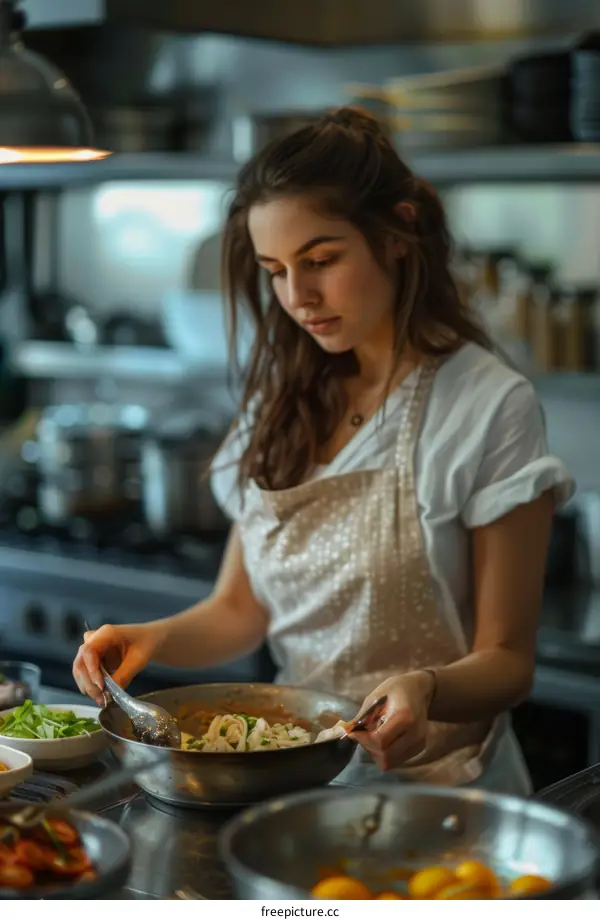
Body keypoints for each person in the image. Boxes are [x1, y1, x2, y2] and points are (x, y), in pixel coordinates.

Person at [73, 107, 574, 795]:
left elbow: (510, 662)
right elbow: (238, 611)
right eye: (275, 270)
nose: (297, 297)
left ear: (397, 235)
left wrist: (425, 686)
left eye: (321, 261)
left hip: (445, 796)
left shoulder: (486, 405)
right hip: (298, 782)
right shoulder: (280, 401)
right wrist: (150, 638)